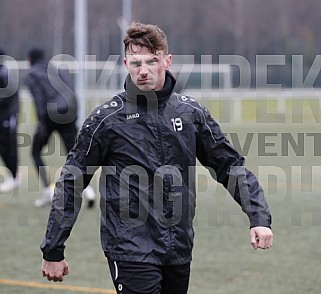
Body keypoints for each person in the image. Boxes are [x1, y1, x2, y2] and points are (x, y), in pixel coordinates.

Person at [40, 23, 273, 293]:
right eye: (136, 63)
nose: (143, 71)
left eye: (152, 61)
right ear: (126, 63)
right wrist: (53, 248)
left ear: (167, 60)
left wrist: (258, 216)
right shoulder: (106, 120)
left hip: (179, 248)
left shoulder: (191, 114)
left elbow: (230, 166)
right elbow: (72, 181)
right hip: (129, 249)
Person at [25, 48, 95, 208]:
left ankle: (48, 192)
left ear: (30, 59)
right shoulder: (57, 69)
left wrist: (42, 122)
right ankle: (88, 190)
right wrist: (75, 116)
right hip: (69, 113)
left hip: (50, 115)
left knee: (35, 152)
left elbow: (39, 98)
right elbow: (71, 91)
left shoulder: (32, 73)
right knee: (73, 153)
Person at [0, 48, 20, 193]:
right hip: (4, 117)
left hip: (7, 117)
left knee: (8, 147)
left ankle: (14, 176)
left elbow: (8, 97)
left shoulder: (5, 73)